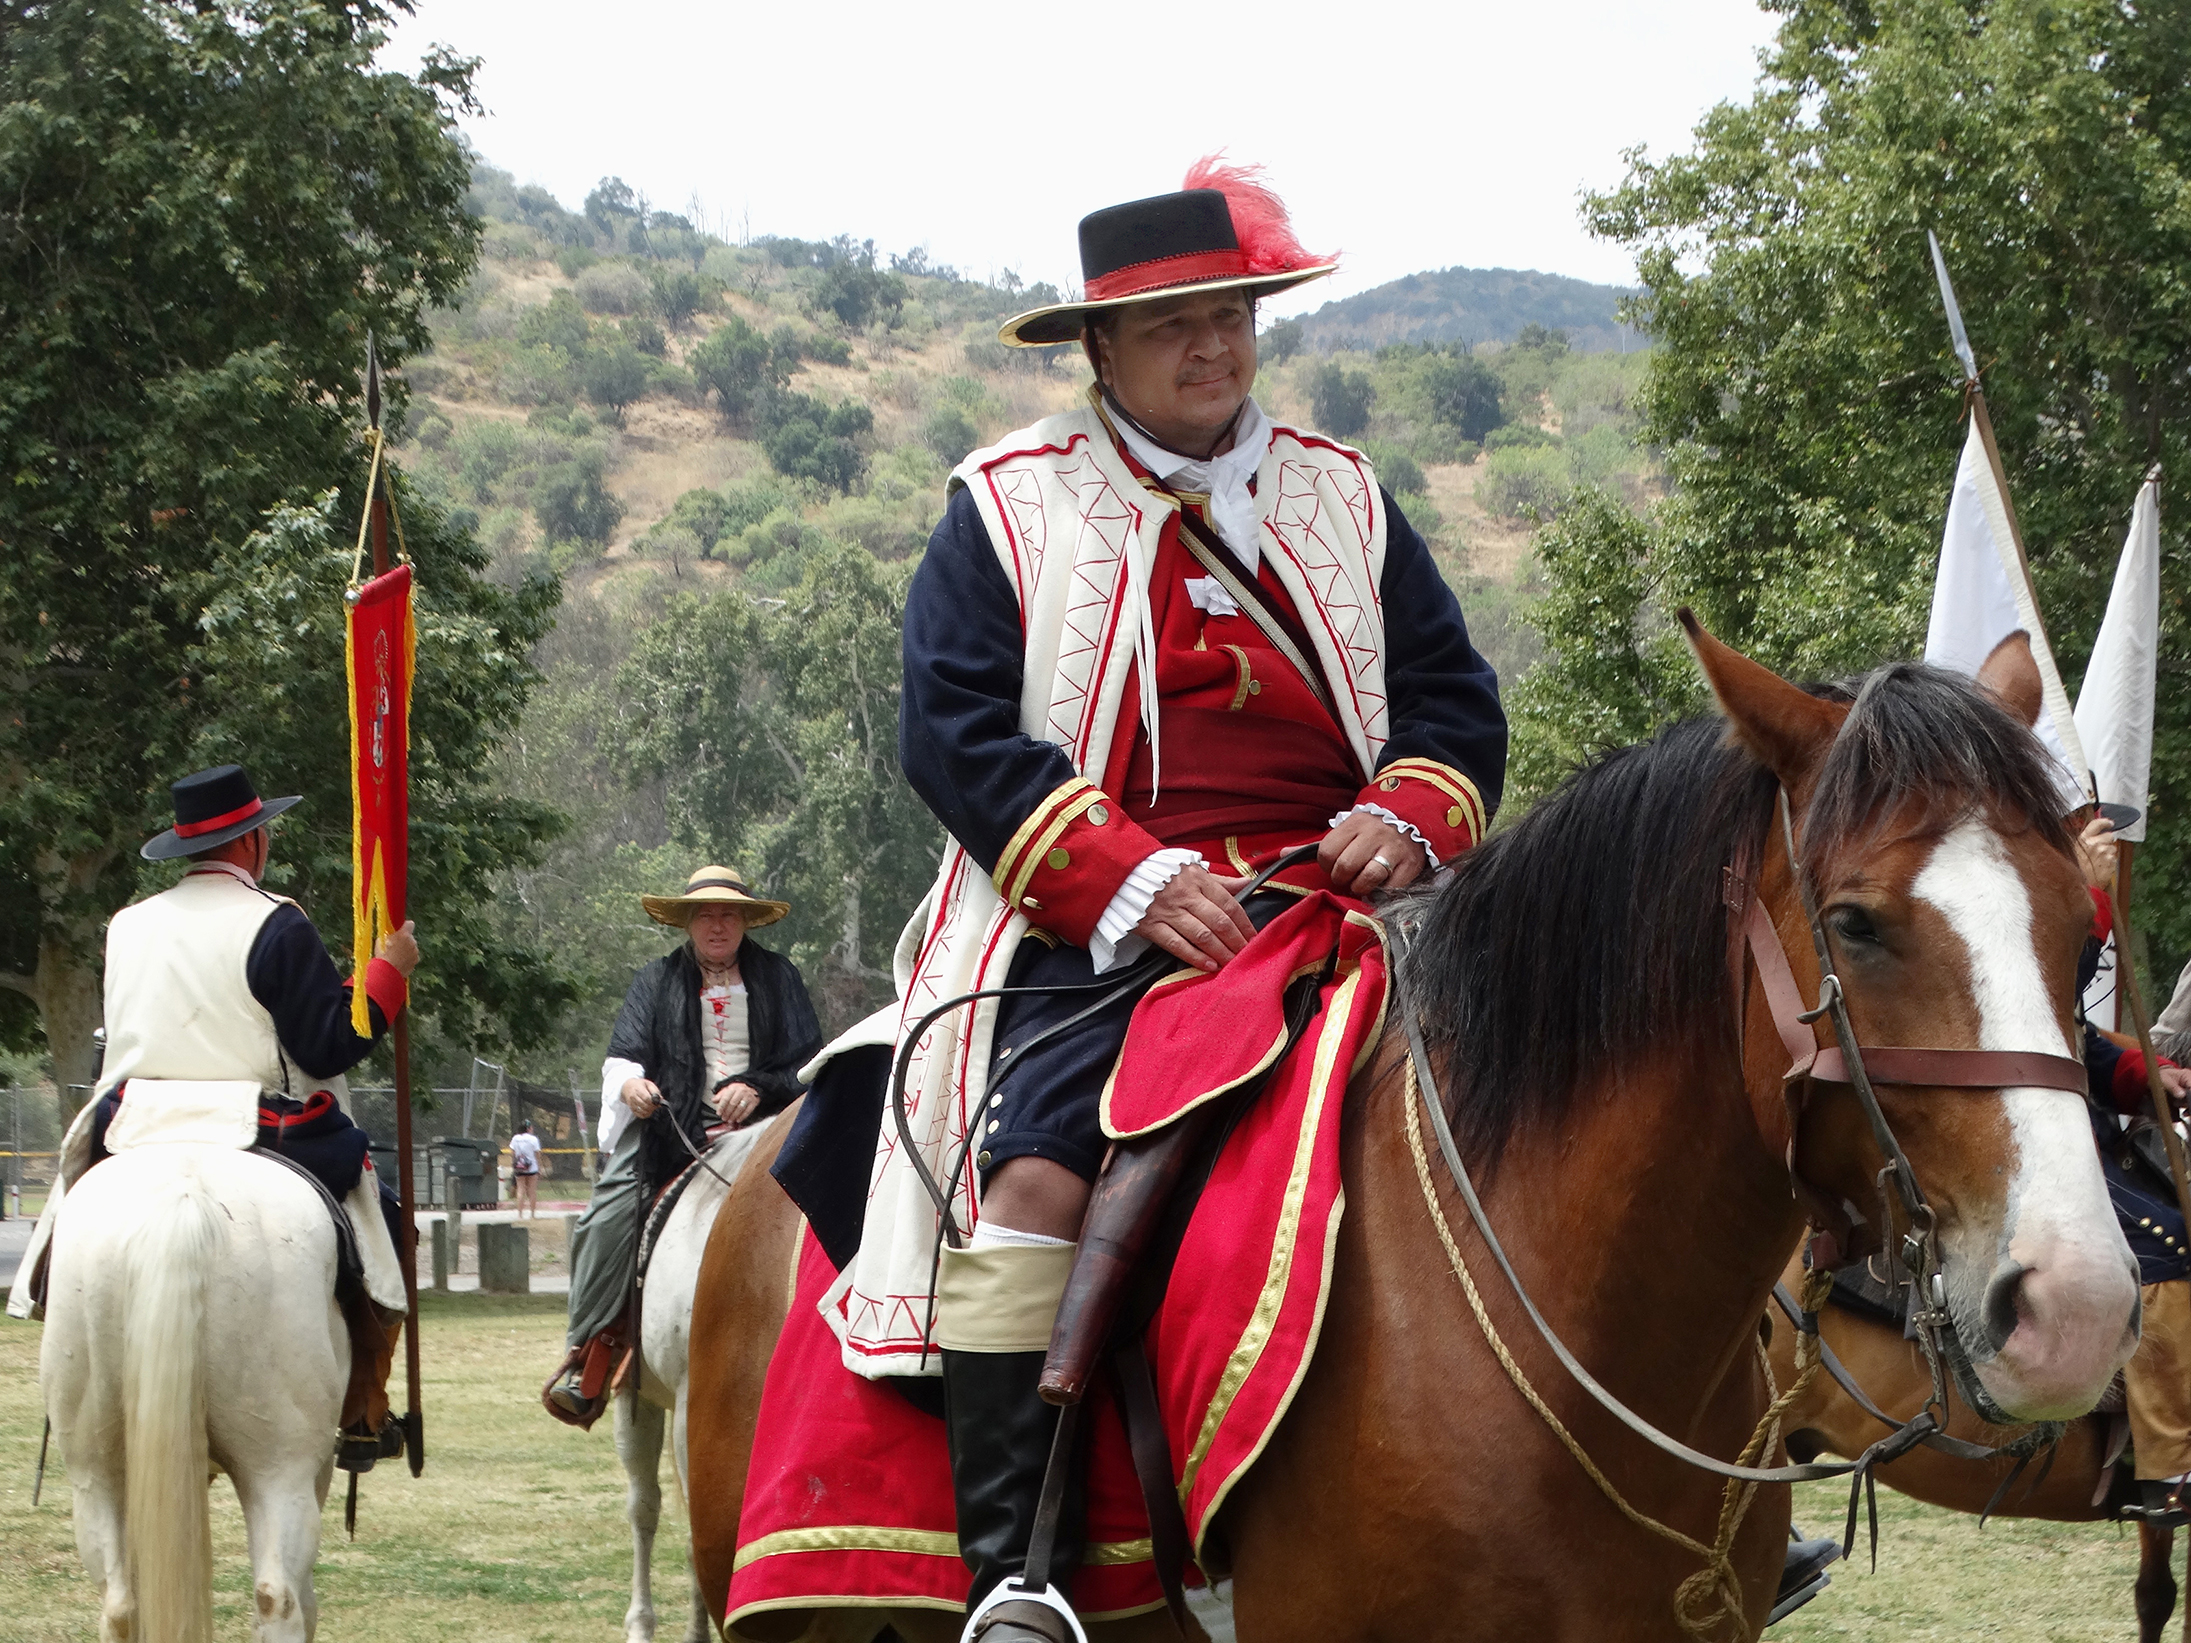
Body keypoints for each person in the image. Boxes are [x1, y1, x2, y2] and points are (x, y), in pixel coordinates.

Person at [774, 162, 1507, 1643]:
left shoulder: (1343, 494)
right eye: (1171, 323)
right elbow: (954, 729)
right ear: (1097, 349)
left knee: (1570, 1081)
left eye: (1230, 313)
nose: (1211, 346)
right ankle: (1013, 1569)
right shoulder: (1003, 507)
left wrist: (1405, 809)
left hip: (1342, 901)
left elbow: (1450, 701)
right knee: (1034, 1176)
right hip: (1092, 921)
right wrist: (1126, 876)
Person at [42, 764, 420, 1471]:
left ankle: (50, 1314)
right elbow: (327, 1041)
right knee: (389, 1219)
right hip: (252, 1123)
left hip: (134, 1122)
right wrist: (386, 972)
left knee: (72, 1218)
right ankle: (366, 1401)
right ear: (253, 841)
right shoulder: (277, 921)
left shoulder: (125, 926)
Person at [544, 865, 823, 1426]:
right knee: (602, 1219)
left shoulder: (781, 978)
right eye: (705, 915)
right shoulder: (655, 981)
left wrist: (759, 1086)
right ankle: (588, 1352)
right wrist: (632, 1086)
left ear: (744, 922)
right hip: (674, 1140)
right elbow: (623, 1057)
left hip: (770, 1137)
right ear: (689, 923)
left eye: (728, 914)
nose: (717, 926)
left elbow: (809, 1062)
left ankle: (853, 1345)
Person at [2074, 811, 2191, 1518]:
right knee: (2166, 1237)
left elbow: (2073, 1035)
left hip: (2077, 1120)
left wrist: (2142, 1076)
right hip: (2018, 1136)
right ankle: (2171, 1466)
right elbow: (2051, 997)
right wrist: (2091, 898)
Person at [509, 1120, 542, 1217]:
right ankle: (532, 1214)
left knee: (520, 1190)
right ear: (528, 1128)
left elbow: (512, 1152)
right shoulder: (533, 1139)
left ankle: (520, 1214)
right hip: (532, 1168)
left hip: (519, 1167)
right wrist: (539, 1167)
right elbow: (537, 1154)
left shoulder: (515, 1138)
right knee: (532, 1191)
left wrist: (514, 1163)